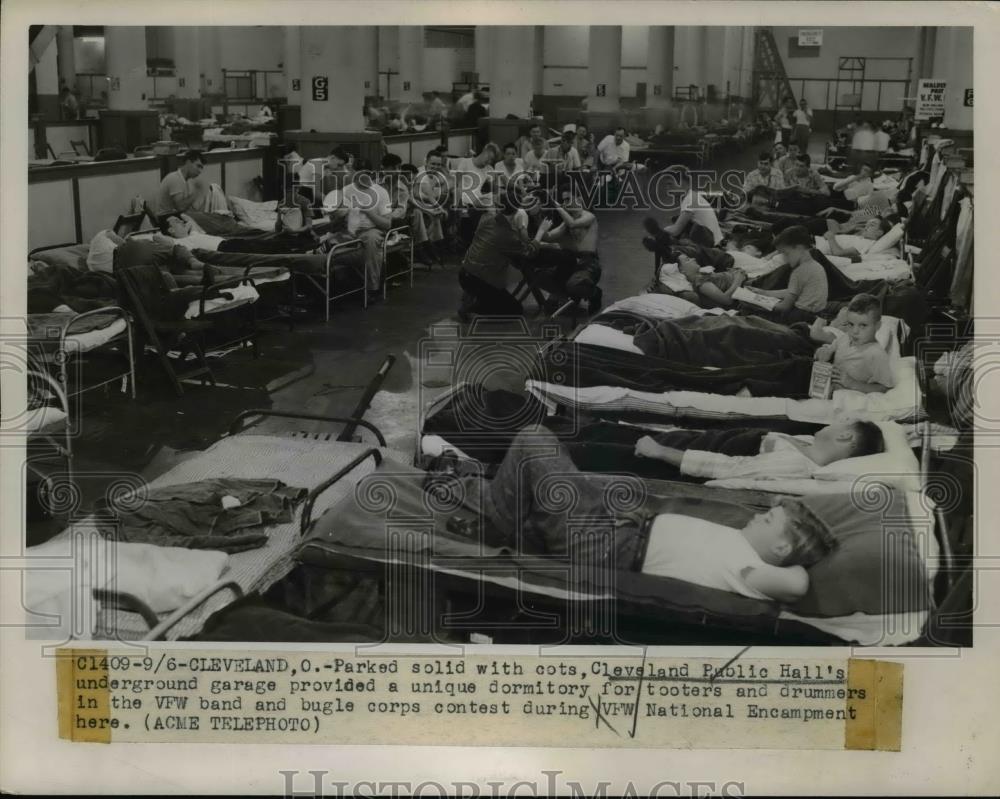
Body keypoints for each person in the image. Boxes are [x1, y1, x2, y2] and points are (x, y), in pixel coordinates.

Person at [482, 428, 838, 601]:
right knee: (559, 481)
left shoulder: (751, 572)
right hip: (621, 528)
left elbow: (798, 583)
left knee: (535, 441)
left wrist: (805, 547)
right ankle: (493, 507)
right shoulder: (744, 546)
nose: (761, 516)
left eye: (769, 521)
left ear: (779, 551)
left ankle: (495, 529)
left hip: (604, 545)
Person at [633, 419, 885, 481]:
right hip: (708, 440)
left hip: (680, 456)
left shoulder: (797, 465)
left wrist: (660, 452)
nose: (834, 420)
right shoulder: (807, 443)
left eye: (842, 421)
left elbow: (728, 468)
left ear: (845, 435)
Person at [458, 185, 551, 320]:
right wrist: (541, 232)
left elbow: (479, 201)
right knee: (515, 310)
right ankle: (472, 308)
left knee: (499, 285)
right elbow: (529, 252)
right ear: (517, 211)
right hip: (479, 279)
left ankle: (476, 297)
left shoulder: (487, 218)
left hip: (465, 272)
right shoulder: (508, 236)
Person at [740, 225, 829, 323]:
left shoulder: (799, 272)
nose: (784, 259)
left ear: (798, 248)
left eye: (786, 253)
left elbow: (784, 307)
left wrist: (758, 304)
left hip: (799, 316)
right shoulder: (816, 266)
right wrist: (763, 292)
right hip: (816, 315)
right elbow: (793, 291)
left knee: (748, 311)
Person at [811, 293, 896, 393]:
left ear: (877, 326)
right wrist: (824, 352)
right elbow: (829, 349)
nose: (854, 331)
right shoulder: (845, 337)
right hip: (819, 381)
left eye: (863, 325)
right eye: (851, 324)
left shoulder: (876, 354)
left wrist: (852, 383)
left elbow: (884, 388)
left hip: (834, 391)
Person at [335, 158, 393, 301]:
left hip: (371, 230)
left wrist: (368, 211)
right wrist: (336, 214)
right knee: (326, 241)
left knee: (371, 240)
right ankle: (335, 287)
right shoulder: (345, 190)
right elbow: (337, 218)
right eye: (358, 172)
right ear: (352, 172)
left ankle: (372, 288)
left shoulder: (380, 192)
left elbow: (387, 224)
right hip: (348, 231)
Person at [659, 166, 724, 247]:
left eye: (670, 184)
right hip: (714, 241)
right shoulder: (692, 195)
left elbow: (675, 230)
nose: (667, 188)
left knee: (666, 238)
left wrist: (660, 230)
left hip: (713, 246)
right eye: (666, 185)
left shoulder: (689, 199)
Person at [155, 150, 207, 216]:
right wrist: (196, 193)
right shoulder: (175, 178)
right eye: (198, 166)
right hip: (165, 219)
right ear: (188, 162)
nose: (200, 171)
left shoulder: (186, 180)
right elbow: (180, 207)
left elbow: (187, 207)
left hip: (174, 217)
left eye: (201, 168)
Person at [818, 217, 893, 261]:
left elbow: (838, 253)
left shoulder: (866, 244)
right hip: (818, 241)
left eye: (872, 225)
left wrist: (831, 238)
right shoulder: (863, 239)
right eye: (867, 224)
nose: (866, 226)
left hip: (817, 246)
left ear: (879, 233)